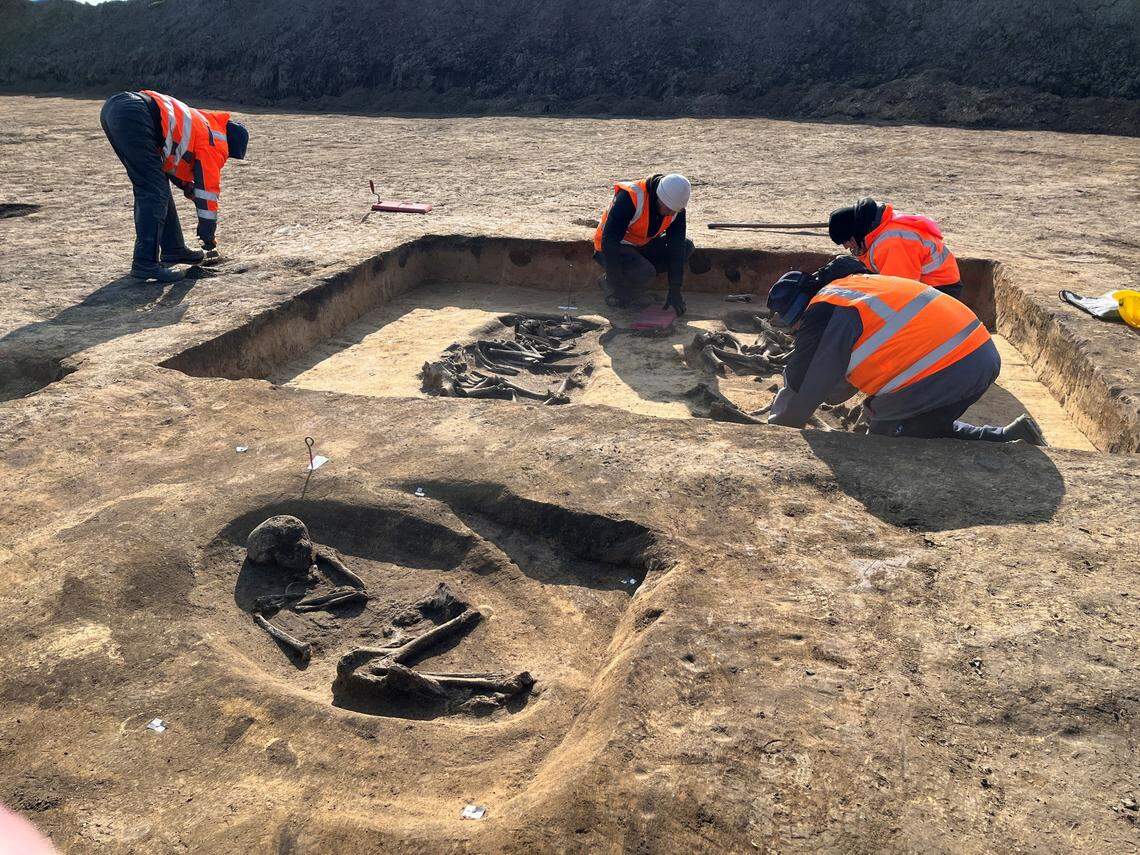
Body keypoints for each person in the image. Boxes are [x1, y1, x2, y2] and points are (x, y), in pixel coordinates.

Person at [764, 256, 1046, 444]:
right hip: (977, 351)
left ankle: (1002, 442)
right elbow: (839, 385)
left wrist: (777, 431)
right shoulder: (856, 288)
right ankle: (1012, 436)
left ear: (801, 309)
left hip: (952, 366)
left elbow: (804, 386)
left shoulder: (827, 310)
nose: (797, 332)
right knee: (913, 424)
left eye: (793, 325)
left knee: (888, 435)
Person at [100, 89, 249, 282]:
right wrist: (207, 235)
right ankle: (145, 263)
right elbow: (208, 193)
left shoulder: (204, 124)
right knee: (153, 191)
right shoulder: (215, 142)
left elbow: (172, 159)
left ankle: (174, 249)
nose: (226, 157)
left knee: (157, 185)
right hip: (134, 114)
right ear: (231, 145)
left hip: (117, 109)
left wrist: (186, 186)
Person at [593, 173, 693, 314]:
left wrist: (675, 290)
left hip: (640, 245)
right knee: (645, 272)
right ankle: (610, 284)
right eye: (668, 209)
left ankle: (631, 289)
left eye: (674, 211)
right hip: (610, 248)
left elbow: (676, 247)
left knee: (686, 247)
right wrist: (617, 286)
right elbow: (609, 243)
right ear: (658, 197)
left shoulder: (675, 208)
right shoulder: (631, 197)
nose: (671, 214)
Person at [828, 197, 962, 300]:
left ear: (855, 234)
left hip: (940, 290)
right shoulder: (879, 228)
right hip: (926, 286)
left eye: (846, 241)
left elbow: (901, 292)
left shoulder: (892, 242)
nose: (846, 247)